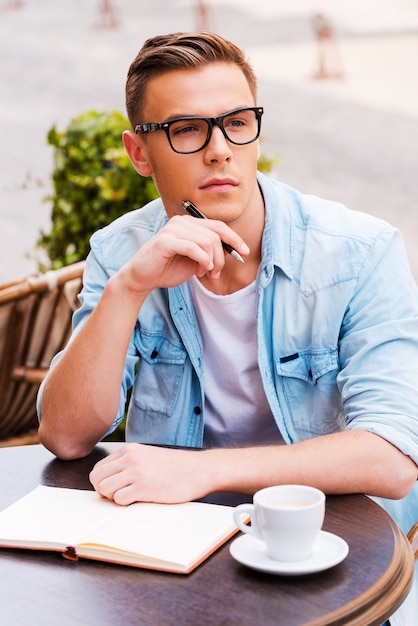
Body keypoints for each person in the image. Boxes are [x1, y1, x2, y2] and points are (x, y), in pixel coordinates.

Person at [37, 33, 418, 526]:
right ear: (139, 153)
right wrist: (128, 289)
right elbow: (65, 436)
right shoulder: (121, 253)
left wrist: (203, 472)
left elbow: (393, 456)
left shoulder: (359, 253)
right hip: (176, 536)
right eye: (188, 129)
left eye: (236, 123)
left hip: (325, 540)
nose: (219, 150)